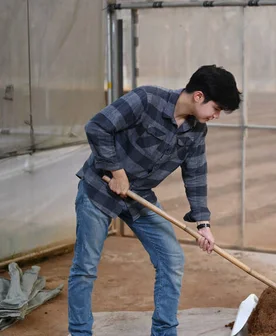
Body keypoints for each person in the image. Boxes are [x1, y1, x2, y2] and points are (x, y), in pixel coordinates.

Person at [67, 65, 242, 336]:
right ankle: (79, 333)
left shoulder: (197, 131)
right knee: (86, 268)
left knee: (172, 259)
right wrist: (117, 172)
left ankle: (164, 332)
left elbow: (195, 175)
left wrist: (203, 223)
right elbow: (97, 127)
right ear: (198, 96)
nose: (216, 116)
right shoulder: (146, 99)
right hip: (99, 190)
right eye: (216, 108)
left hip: (139, 197)